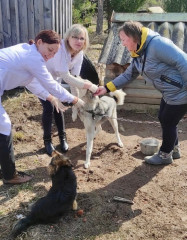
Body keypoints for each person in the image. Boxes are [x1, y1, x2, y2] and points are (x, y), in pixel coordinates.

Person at [95, 21, 187, 165]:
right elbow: (128, 75)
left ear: (133, 37)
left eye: (124, 39)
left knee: (168, 121)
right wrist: (107, 88)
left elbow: (184, 62)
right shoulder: (138, 52)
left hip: (181, 91)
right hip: (170, 91)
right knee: (164, 117)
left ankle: (165, 154)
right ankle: (174, 149)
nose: (123, 44)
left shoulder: (157, 45)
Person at [0, 30, 84, 185]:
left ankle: (6, 169)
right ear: (39, 42)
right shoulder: (33, 57)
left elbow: (30, 82)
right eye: (49, 50)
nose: (50, 55)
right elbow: (49, 83)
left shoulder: (27, 53)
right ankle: (9, 175)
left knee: (2, 125)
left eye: (54, 53)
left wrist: (50, 97)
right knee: (4, 125)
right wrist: (74, 99)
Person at [38, 24, 98, 156]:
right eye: (75, 37)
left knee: (59, 107)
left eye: (82, 38)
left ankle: (62, 137)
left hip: (56, 81)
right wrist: (89, 86)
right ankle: (47, 141)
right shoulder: (61, 50)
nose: (78, 41)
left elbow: (74, 79)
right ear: (68, 38)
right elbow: (66, 75)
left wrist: (75, 103)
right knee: (49, 107)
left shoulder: (79, 54)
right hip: (42, 79)